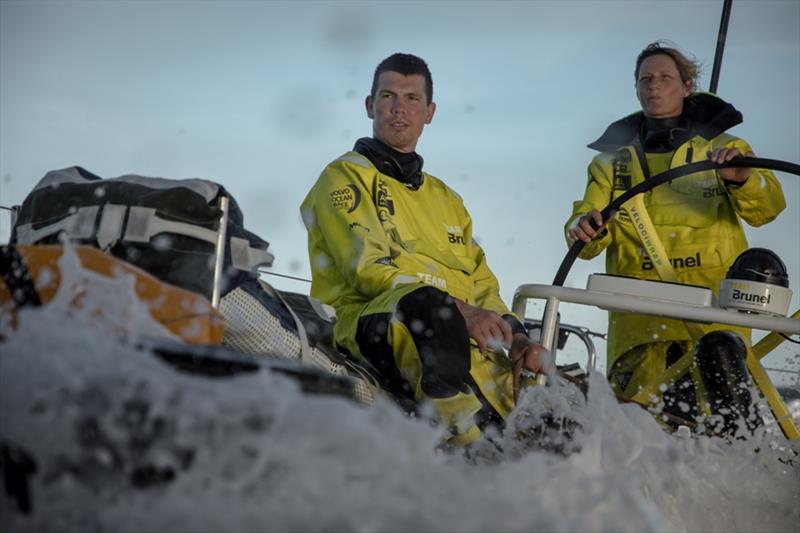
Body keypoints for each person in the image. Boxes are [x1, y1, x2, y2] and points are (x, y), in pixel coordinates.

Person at [301, 53, 549, 446]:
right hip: (376, 322)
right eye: (388, 96)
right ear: (370, 105)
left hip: (460, 339)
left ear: (429, 112)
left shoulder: (448, 199)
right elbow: (367, 269)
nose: (399, 108)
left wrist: (516, 337)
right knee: (430, 306)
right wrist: (460, 310)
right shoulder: (344, 176)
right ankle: (463, 449)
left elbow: (482, 283)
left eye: (412, 99)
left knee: (558, 427)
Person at [565, 41, 786, 432]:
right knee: (641, 446)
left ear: (687, 87)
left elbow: (767, 208)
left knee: (729, 437)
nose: (654, 86)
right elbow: (586, 229)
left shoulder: (725, 150)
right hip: (640, 331)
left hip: (713, 326)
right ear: (636, 89)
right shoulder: (608, 165)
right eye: (645, 79)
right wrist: (584, 227)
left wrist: (742, 179)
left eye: (665, 78)